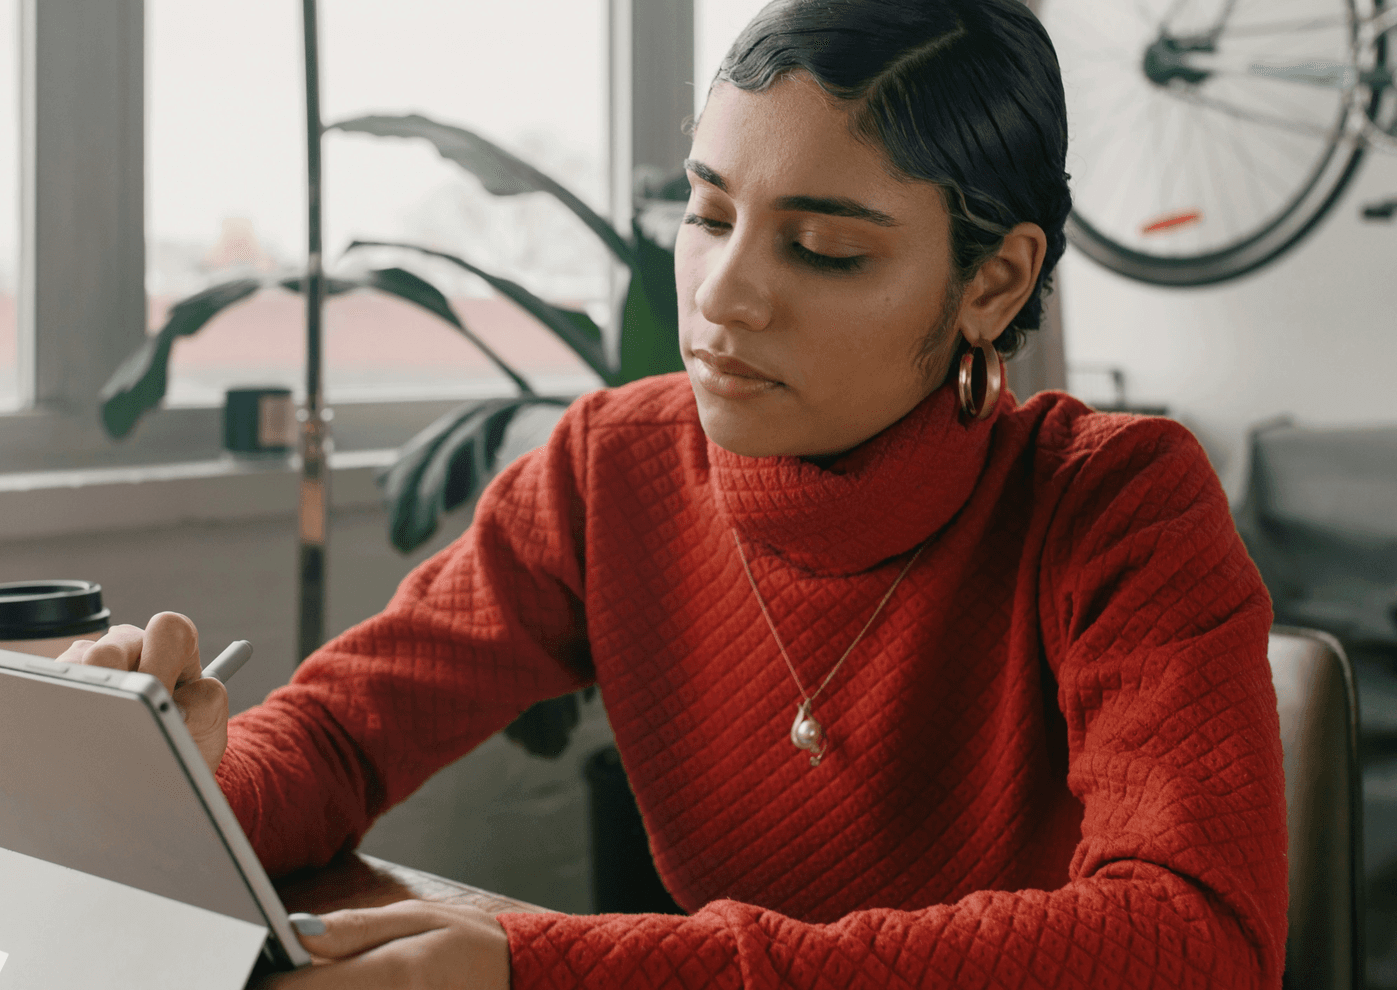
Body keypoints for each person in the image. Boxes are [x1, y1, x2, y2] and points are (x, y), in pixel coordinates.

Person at [62, 0, 1286, 986]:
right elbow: (338, 731)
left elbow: (1189, 939)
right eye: (704, 213)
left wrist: (549, 968)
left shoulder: (1118, 506)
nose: (719, 294)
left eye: (822, 248)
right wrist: (170, 784)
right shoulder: (614, 466)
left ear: (993, 281)